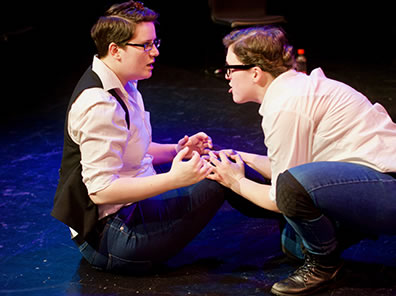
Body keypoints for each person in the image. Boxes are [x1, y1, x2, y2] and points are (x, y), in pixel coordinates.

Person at [207, 26, 396, 295]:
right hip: (368, 181)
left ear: (256, 73)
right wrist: (240, 159)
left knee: (283, 190)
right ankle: (327, 241)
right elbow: (291, 171)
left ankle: (323, 266)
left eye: (230, 69)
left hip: (387, 187)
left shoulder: (287, 104)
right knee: (294, 245)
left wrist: (236, 181)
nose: (227, 77)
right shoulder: (292, 90)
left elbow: (284, 191)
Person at [51, 0, 227, 273]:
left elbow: (134, 149)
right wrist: (172, 179)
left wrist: (179, 150)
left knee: (222, 163)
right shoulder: (99, 104)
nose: (154, 52)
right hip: (113, 237)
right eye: (145, 45)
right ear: (115, 50)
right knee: (224, 175)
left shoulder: (125, 83)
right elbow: (101, 190)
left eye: (155, 43)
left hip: (130, 213)